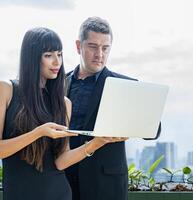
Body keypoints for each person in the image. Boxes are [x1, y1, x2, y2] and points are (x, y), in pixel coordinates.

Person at [0, 27, 124, 200]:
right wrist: (39, 132)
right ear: (32, 57)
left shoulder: (64, 103)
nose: (56, 62)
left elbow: (60, 161)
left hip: (59, 193)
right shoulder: (4, 89)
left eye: (59, 54)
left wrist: (96, 143)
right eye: (48, 55)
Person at [65, 17, 161, 200]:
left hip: (106, 184)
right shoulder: (59, 83)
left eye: (105, 48)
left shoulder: (125, 86)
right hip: (63, 180)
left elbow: (152, 131)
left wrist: (138, 120)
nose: (99, 54)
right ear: (79, 46)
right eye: (93, 46)